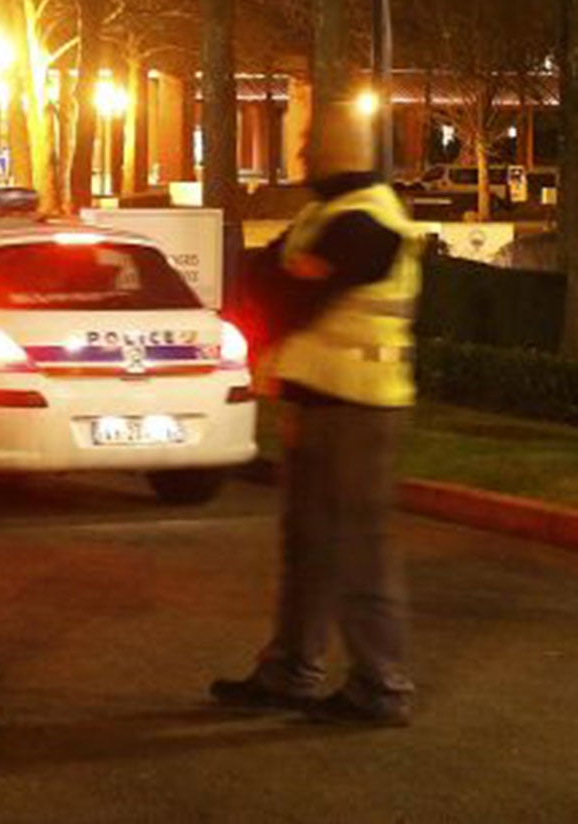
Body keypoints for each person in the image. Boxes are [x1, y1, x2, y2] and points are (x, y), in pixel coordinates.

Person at [212, 101, 422, 726]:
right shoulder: (324, 216)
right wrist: (284, 276)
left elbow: (293, 297)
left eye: (309, 140)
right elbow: (259, 275)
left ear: (340, 149)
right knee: (307, 546)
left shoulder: (370, 221)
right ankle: (292, 671)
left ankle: (381, 686)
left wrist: (284, 276)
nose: (300, 152)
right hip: (316, 401)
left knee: (359, 550)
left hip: (359, 406)